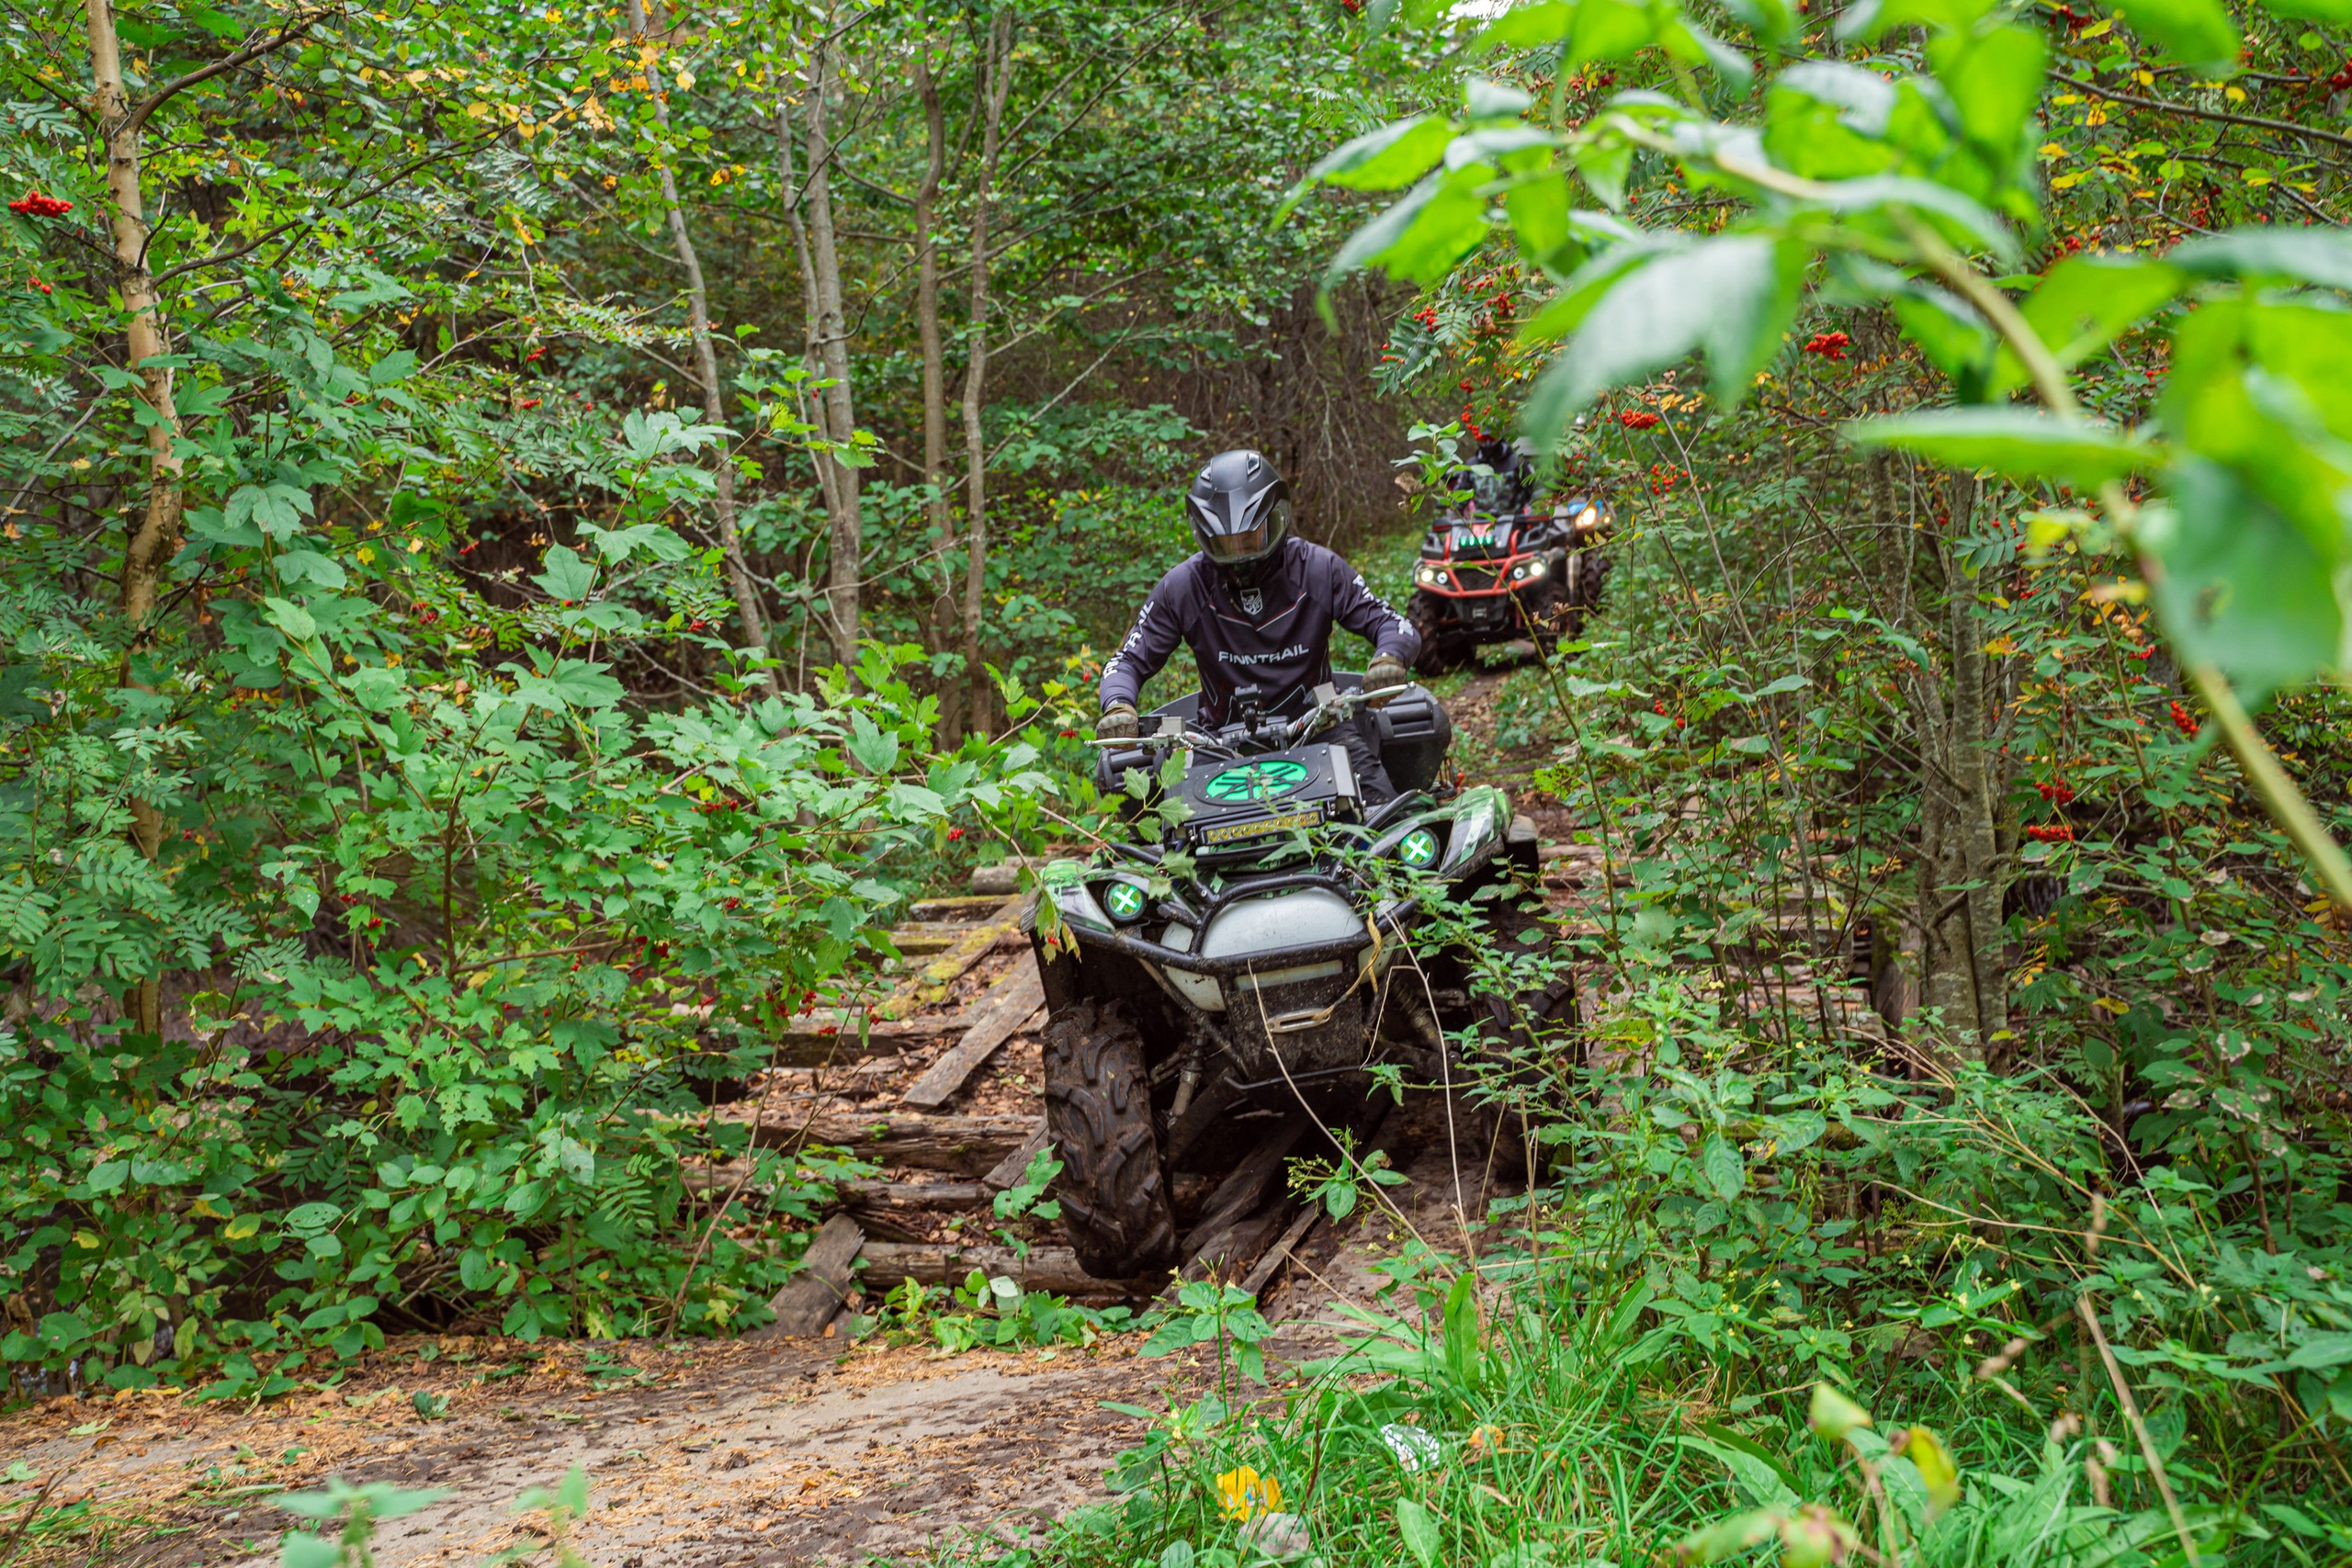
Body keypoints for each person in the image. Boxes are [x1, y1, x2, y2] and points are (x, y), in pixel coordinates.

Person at [1097, 449, 1420, 802]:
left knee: (1386, 815)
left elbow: (1391, 623)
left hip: (1319, 729)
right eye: (1225, 543)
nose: (1240, 553)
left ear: (1275, 520)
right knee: (1174, 837)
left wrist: (1390, 658)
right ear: (1204, 535)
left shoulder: (1317, 569)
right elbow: (1126, 661)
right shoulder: (1184, 586)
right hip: (1218, 744)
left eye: (1249, 538)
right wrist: (1118, 705)